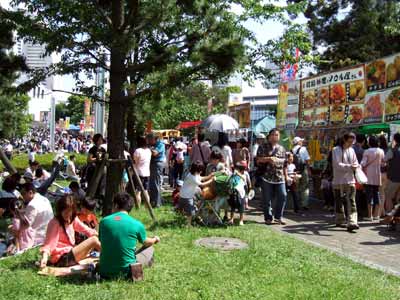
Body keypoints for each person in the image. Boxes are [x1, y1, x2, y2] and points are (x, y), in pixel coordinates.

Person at [99, 192, 160, 279]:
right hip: (128, 273)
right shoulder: (137, 224)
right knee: (150, 248)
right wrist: (155, 239)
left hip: (104, 272)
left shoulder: (104, 222)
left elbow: (102, 241)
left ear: (116, 205)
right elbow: (146, 242)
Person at [39, 195, 100, 268]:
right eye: (65, 211)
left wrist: (99, 235)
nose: (67, 214)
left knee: (94, 238)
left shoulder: (72, 219)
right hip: (61, 258)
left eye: (69, 212)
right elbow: (49, 244)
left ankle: (109, 254)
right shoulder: (55, 223)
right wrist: (44, 258)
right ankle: (111, 257)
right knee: (94, 240)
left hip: (71, 253)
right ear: (60, 210)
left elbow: (87, 230)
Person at [256, 128, 287, 225]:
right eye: (273, 134)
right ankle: (268, 217)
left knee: (283, 195)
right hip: (267, 176)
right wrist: (269, 159)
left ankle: (278, 216)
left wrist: (286, 176)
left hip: (279, 177)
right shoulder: (262, 147)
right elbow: (258, 160)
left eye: (277, 135)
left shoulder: (282, 148)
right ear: (269, 136)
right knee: (267, 198)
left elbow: (285, 162)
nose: (275, 136)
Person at [11, 183, 54, 251]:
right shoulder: (44, 199)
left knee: (14, 231)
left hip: (39, 237)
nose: (22, 196)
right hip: (49, 232)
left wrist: (15, 224)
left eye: (23, 193)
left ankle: (17, 250)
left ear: (30, 192)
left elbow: (25, 225)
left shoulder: (32, 205)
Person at [332, 132, 359, 232]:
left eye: (353, 142)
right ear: (344, 140)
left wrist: (356, 166)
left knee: (351, 200)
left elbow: (355, 162)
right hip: (338, 180)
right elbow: (337, 164)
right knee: (339, 200)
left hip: (350, 179)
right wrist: (350, 167)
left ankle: (352, 221)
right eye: (349, 142)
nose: (351, 144)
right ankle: (340, 219)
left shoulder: (352, 150)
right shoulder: (336, 150)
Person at [179, 161, 215, 226]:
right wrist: (211, 180)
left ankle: (187, 220)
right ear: (197, 170)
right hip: (186, 196)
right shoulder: (192, 178)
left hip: (185, 195)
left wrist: (209, 176)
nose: (201, 172)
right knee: (189, 212)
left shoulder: (193, 174)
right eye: (200, 170)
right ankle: (188, 224)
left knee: (188, 210)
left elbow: (201, 178)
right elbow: (202, 184)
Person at [361, 136, 385, 221]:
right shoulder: (381, 151)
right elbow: (383, 164)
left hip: (368, 176)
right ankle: (376, 215)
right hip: (377, 175)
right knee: (376, 195)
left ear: (369, 142)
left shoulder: (367, 151)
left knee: (369, 196)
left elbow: (363, 163)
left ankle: (369, 216)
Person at [292, 136, 311, 210]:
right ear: (299, 142)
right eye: (301, 141)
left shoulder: (292, 150)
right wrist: (309, 170)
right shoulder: (303, 149)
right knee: (305, 186)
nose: (302, 142)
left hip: (295, 170)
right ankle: (304, 204)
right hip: (303, 169)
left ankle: (296, 203)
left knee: (296, 187)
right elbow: (307, 160)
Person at [147, 133, 166, 208]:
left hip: (157, 164)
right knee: (152, 183)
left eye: (149, 140)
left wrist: (149, 149)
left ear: (154, 139)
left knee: (156, 183)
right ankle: (153, 201)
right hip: (152, 164)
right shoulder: (152, 145)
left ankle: (157, 203)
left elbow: (155, 153)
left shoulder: (160, 144)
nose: (148, 141)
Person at [133, 136, 152, 207]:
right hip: (147, 173)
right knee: (146, 191)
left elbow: (136, 162)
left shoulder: (138, 151)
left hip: (139, 173)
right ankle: (148, 207)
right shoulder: (149, 151)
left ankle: (138, 206)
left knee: (138, 191)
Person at [384, 133, 400, 213]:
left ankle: (389, 215)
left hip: (394, 178)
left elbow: (384, 160)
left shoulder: (392, 150)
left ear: (395, 140)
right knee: (398, 198)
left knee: (388, 196)